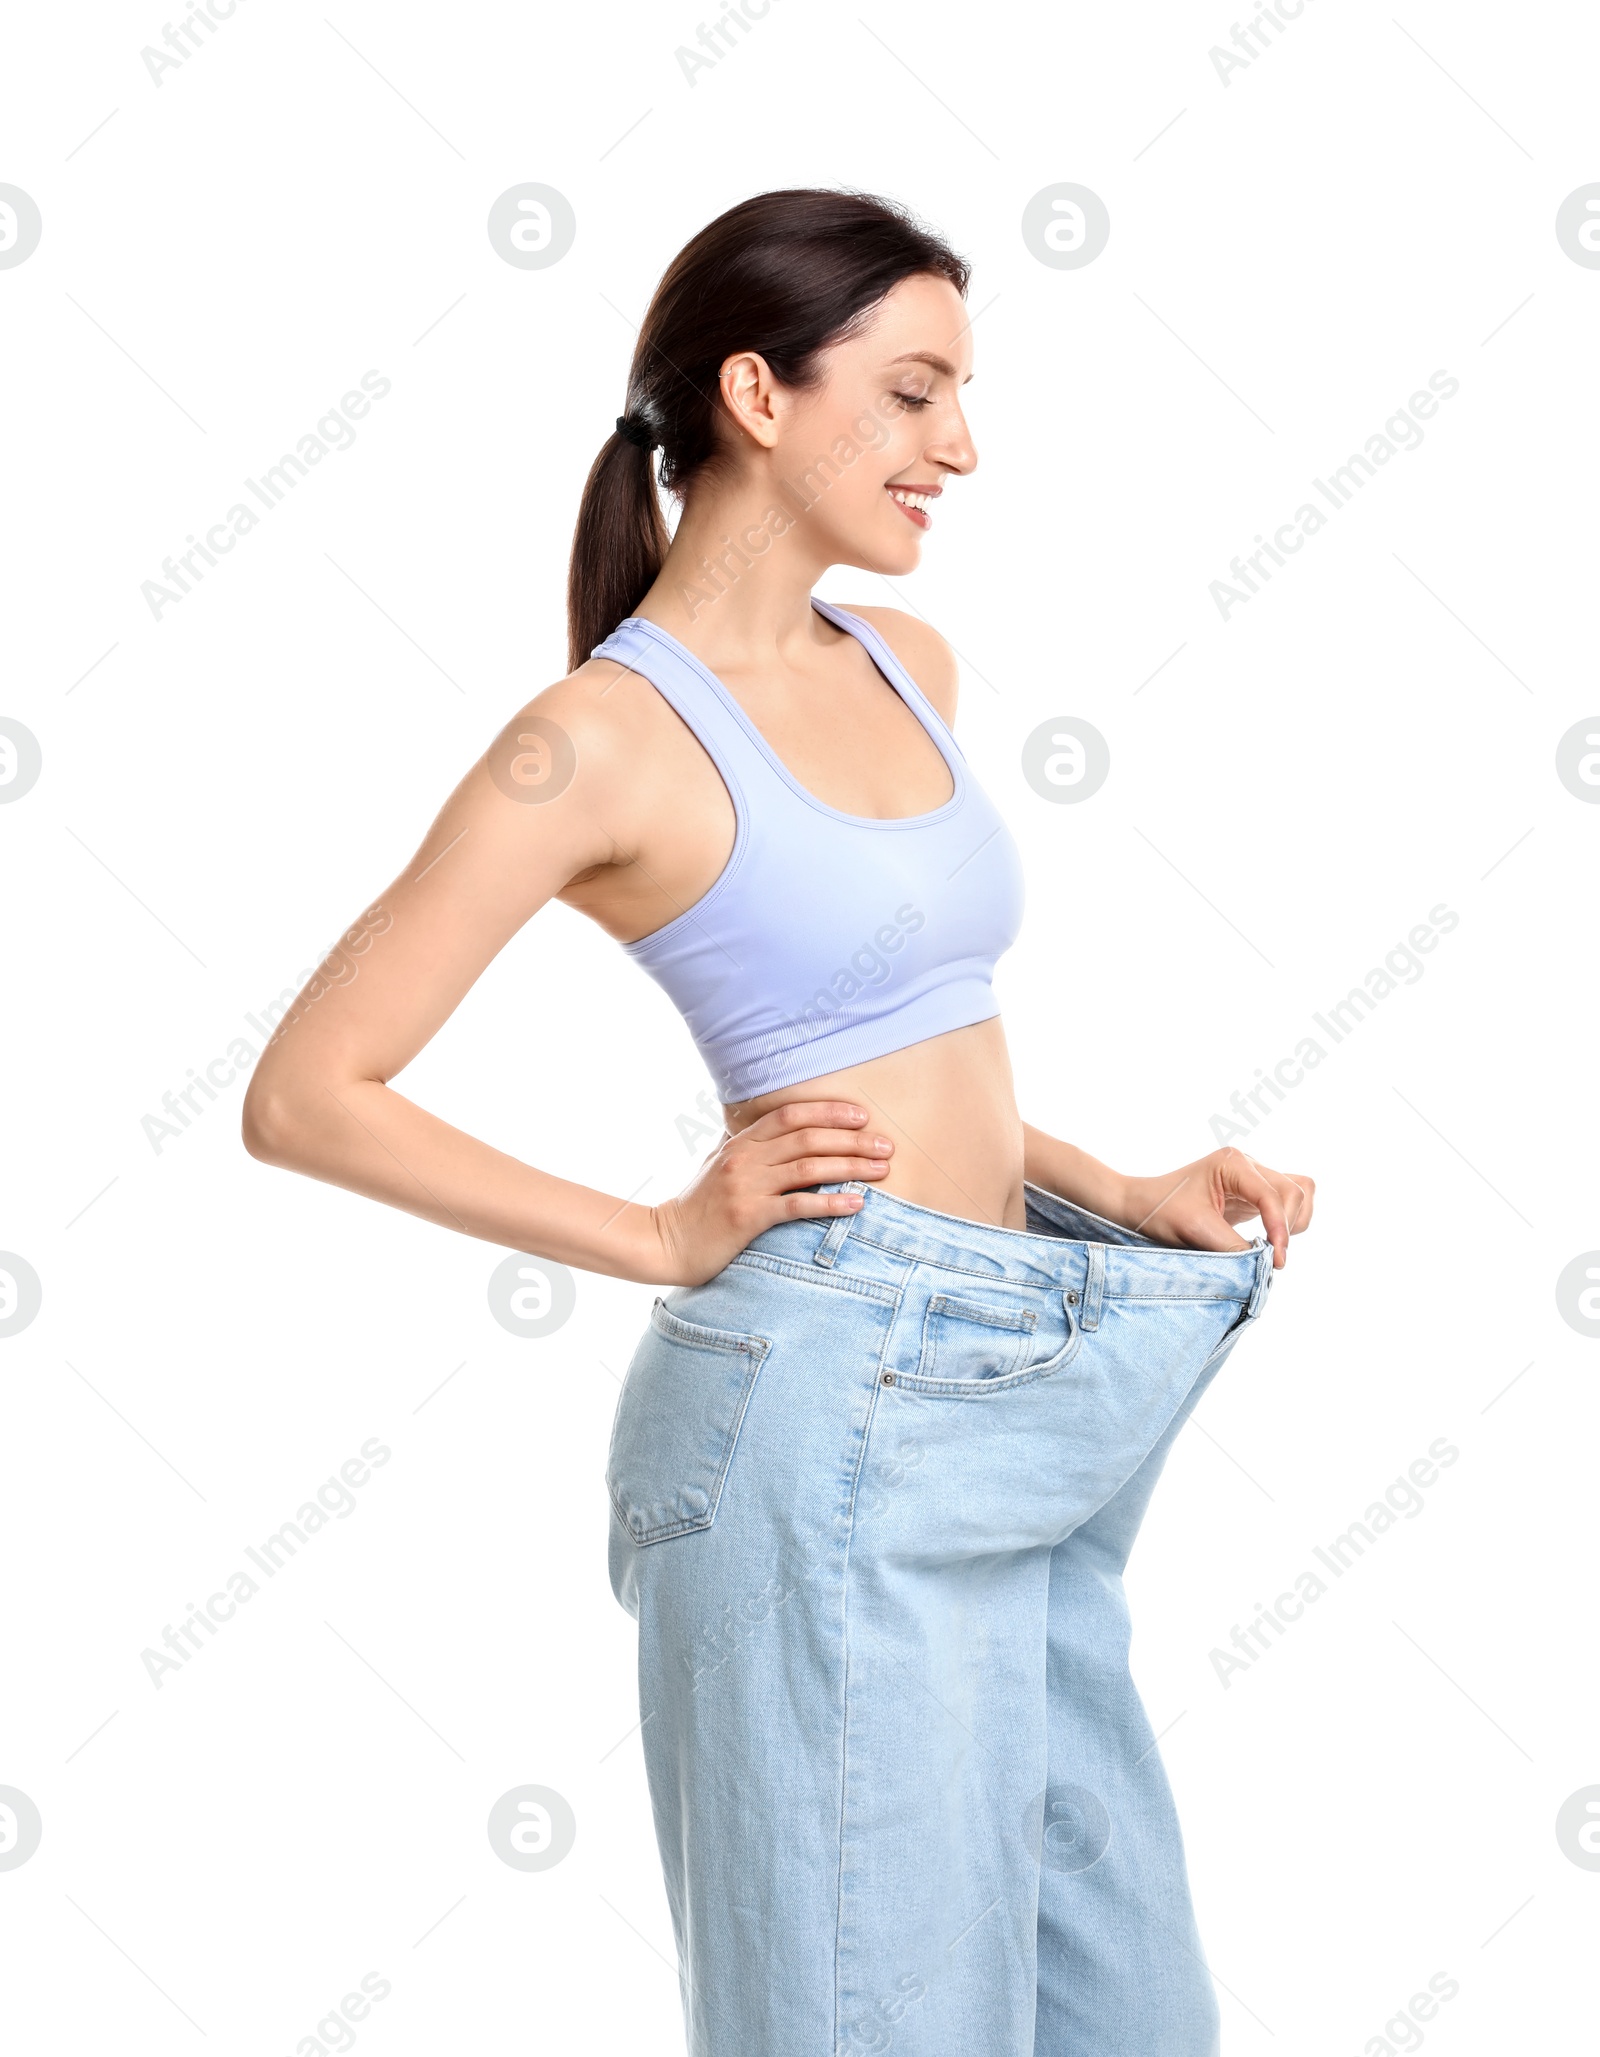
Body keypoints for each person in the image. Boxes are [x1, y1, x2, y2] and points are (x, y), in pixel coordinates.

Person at [243, 187, 1313, 2057]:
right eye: (911, 394)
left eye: (959, 396)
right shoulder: (594, 740)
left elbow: (907, 1036)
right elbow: (306, 1094)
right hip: (824, 1400)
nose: (958, 445)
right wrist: (662, 1233)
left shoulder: (913, 665)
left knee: (1125, 2016)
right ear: (755, 390)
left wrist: (1114, 1186)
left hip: (1023, 1378)